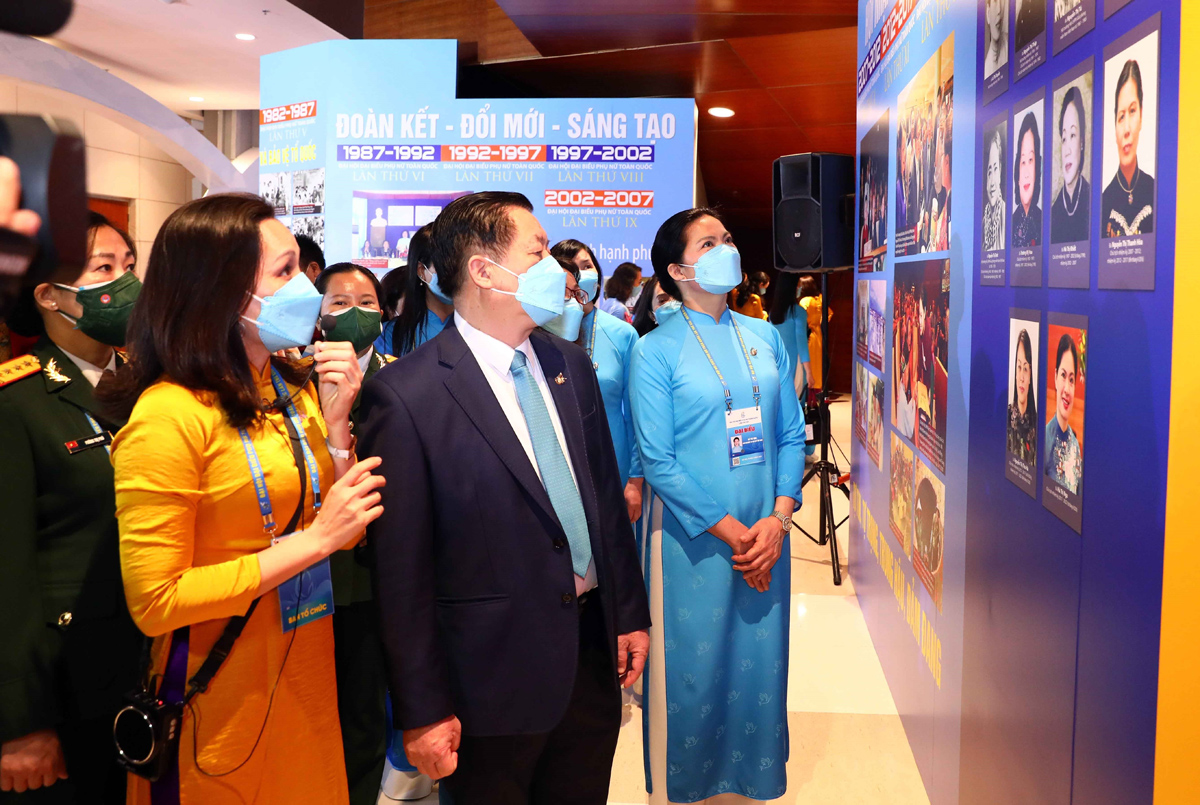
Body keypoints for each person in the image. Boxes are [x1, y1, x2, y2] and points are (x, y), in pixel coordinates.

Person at [358, 191, 651, 805]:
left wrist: (628, 614)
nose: (557, 271)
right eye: (537, 253)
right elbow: (401, 572)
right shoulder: (407, 395)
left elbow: (601, 499)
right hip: (486, 686)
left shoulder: (570, 364)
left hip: (589, 663)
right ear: (484, 272)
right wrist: (422, 708)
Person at [102, 194, 385, 804]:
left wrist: (338, 430)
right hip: (216, 694)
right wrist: (314, 542)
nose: (306, 288)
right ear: (226, 294)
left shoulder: (290, 387)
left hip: (304, 676)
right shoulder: (169, 416)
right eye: (285, 272)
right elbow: (156, 601)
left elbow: (349, 530)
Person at [629, 207, 803, 803]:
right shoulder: (654, 351)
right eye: (708, 243)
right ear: (678, 270)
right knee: (693, 674)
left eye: (727, 237)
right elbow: (658, 461)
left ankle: (748, 783)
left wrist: (777, 521)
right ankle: (685, 788)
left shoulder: (764, 336)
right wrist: (736, 534)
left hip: (767, 535)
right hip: (692, 542)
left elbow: (790, 434)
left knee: (759, 663)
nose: (726, 247)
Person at [0, 214, 143, 803]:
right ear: (48, 295)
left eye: (129, 265)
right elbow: (8, 575)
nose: (126, 283)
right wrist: (21, 722)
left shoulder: (153, 384)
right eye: (104, 269)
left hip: (156, 664)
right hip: (71, 683)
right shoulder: (19, 402)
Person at [314, 262, 397, 805]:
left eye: (365, 302)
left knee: (365, 710)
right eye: (339, 303)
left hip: (376, 573)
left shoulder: (404, 378)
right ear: (319, 315)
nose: (354, 313)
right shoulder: (293, 379)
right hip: (309, 573)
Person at [550, 240, 644, 519]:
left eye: (586, 265)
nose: (580, 275)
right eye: (571, 269)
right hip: (557, 467)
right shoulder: (538, 330)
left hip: (614, 464)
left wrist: (635, 480)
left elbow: (637, 413)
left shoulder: (622, 334)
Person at [377, 225, 452, 359]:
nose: (457, 274)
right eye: (446, 266)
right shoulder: (391, 334)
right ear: (421, 271)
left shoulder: (480, 326)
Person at [1102, 59, 1155, 238]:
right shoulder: (1104, 201)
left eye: (1132, 111)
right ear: (1114, 126)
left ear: (1141, 116)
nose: (1126, 129)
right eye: (1121, 116)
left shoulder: (1154, 191)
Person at [1051, 87, 1090, 244]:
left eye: (1073, 135)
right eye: (1064, 138)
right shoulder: (1053, 213)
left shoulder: (1093, 200)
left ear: (1081, 142)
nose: (1067, 151)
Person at [1044, 332, 1082, 494]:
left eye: (1071, 380)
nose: (1067, 388)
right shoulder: (1045, 440)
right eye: (1063, 375)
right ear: (1055, 377)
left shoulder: (1076, 447)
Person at [1012, 112, 1043, 249]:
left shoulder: (1044, 221)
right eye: (1023, 162)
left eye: (1030, 160)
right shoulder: (1010, 223)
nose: (1025, 174)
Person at [1007, 328, 1038, 464]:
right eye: (1019, 367)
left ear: (1030, 375)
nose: (1021, 377)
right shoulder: (1006, 416)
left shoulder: (1037, 425)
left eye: (1025, 369)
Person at [798, 275, 830, 390]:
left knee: (807, 365)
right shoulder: (820, 299)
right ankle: (818, 389)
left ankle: (809, 392)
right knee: (818, 365)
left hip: (808, 335)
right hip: (818, 335)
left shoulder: (804, 301)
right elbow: (829, 314)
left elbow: (801, 318)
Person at [982, 129, 1006, 251]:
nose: (992, 183)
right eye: (989, 172)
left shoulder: (1006, 215)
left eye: (995, 169)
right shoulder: (983, 223)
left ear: (1000, 171)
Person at [984, 0, 1008, 76]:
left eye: (1002, 2)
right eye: (995, 2)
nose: (999, 11)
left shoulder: (1011, 44)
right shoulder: (986, 71)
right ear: (988, 13)